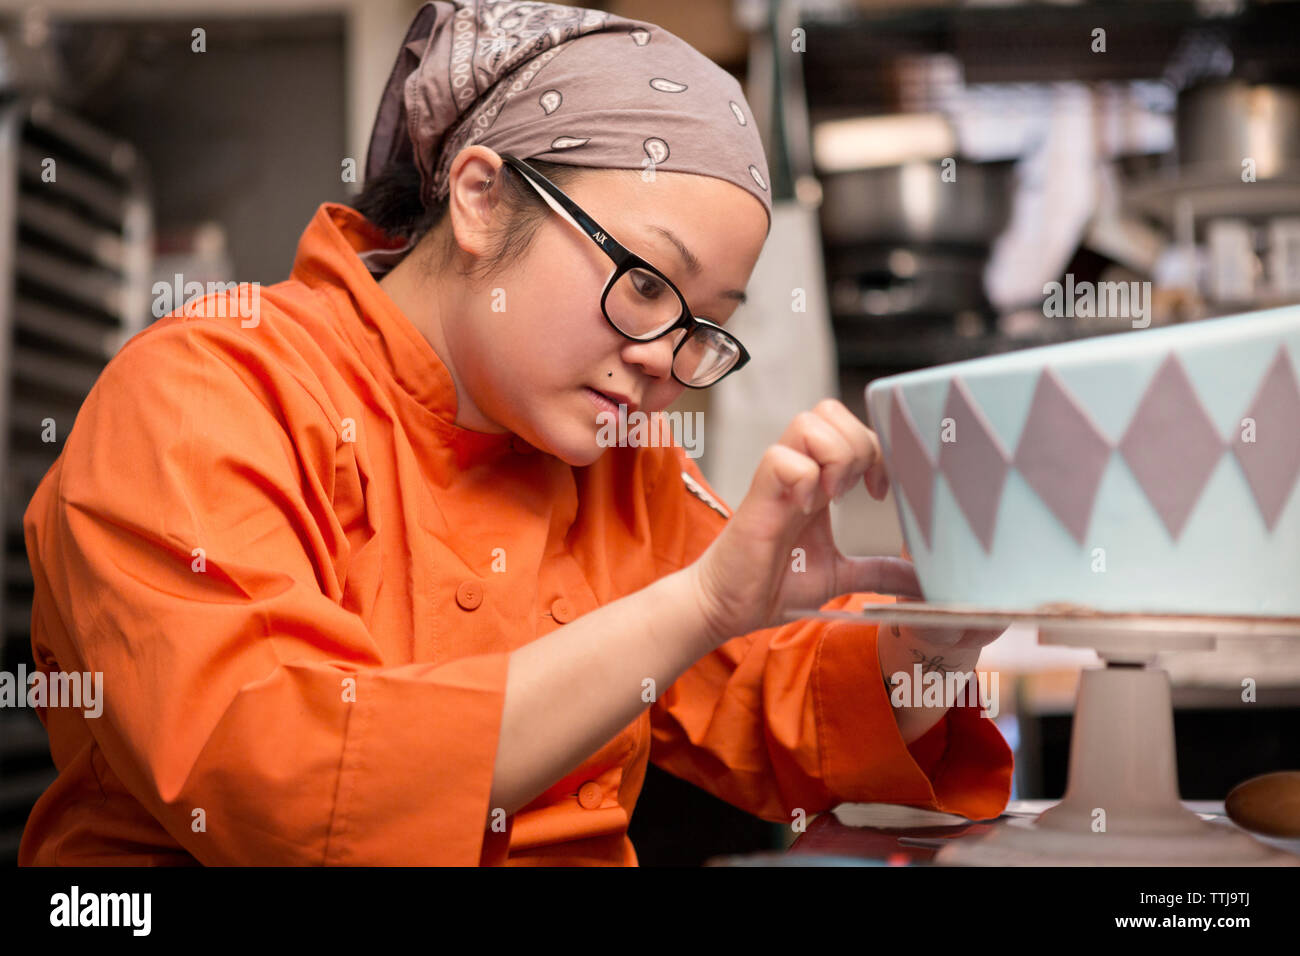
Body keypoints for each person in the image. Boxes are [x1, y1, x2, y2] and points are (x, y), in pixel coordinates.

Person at [19, 0, 1012, 866]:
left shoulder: (619, 466)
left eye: (706, 323)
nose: (669, 357)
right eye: (645, 286)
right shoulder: (204, 393)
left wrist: (924, 639)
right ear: (483, 198)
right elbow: (275, 787)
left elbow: (785, 718)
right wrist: (700, 603)